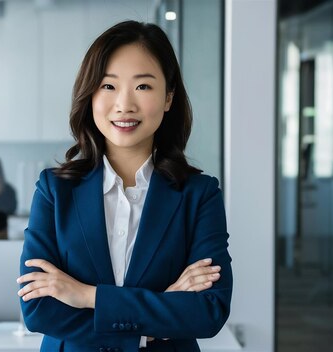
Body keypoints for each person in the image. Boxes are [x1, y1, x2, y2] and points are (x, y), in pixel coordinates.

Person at [17, 21, 232, 352]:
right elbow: (38, 310)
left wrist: (86, 296)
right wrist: (157, 313)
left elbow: (208, 311)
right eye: (108, 86)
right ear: (90, 95)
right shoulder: (54, 191)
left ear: (168, 97)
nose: (124, 104)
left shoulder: (199, 195)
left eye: (143, 87)